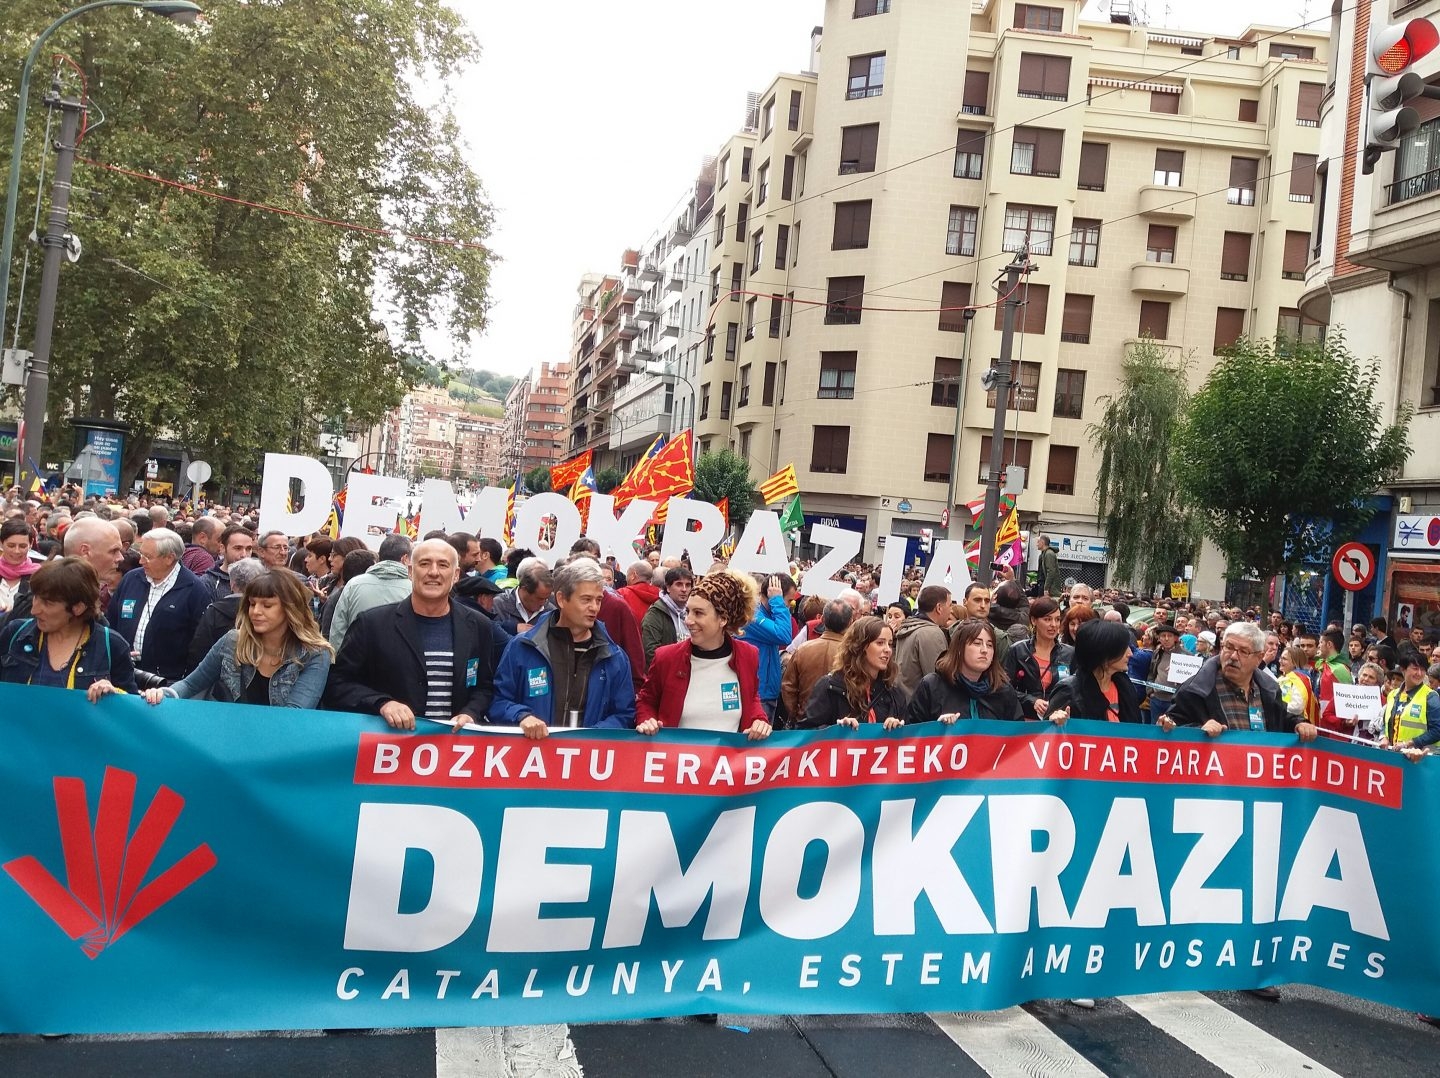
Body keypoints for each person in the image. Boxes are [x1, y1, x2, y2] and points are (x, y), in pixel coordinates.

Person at [326, 538, 496, 730]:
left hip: (451, 750)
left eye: (443, 565)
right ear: (410, 571)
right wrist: (382, 703)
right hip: (387, 749)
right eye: (424, 564)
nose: (433, 572)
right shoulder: (372, 624)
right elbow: (337, 684)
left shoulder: (478, 626)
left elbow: (484, 687)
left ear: (456, 575)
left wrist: (470, 712)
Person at [489, 557, 635, 737]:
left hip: (588, 758)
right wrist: (522, 717)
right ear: (561, 599)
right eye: (586, 599)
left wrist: (594, 736)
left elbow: (624, 714)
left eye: (598, 600)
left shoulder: (614, 656)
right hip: (534, 758)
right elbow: (498, 701)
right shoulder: (524, 646)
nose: (594, 607)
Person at [143, 570, 333, 708]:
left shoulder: (314, 653)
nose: (256, 612)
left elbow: (295, 713)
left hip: (278, 750)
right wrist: (163, 695)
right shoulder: (233, 641)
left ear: (290, 609)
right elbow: (191, 684)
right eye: (252, 604)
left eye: (267, 606)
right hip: (227, 743)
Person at [635, 569, 771, 738]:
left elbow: (751, 698)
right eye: (688, 611)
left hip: (726, 763)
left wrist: (759, 720)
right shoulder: (667, 657)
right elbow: (646, 701)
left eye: (698, 613)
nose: (688, 621)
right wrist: (647, 719)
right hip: (677, 761)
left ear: (723, 619)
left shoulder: (747, 655)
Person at [0, 557, 136, 699]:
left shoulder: (112, 645)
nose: (34, 610)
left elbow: (131, 709)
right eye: (35, 597)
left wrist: (114, 693)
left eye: (47, 603)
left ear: (78, 608)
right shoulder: (15, 633)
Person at [1169, 622, 1317, 741]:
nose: (1233, 656)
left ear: (1259, 658)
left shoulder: (1269, 689)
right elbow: (1172, 729)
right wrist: (1198, 730)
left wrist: (1299, 724)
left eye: (1243, 651)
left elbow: (1279, 719)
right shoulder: (1194, 689)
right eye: (1229, 647)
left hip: (1259, 773)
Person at [107, 527, 212, 683]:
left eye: (147, 556)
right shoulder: (131, 579)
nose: (141, 561)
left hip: (166, 682)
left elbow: (199, 644)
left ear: (169, 558)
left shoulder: (194, 590)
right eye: (140, 554)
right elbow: (112, 622)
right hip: (123, 674)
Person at [906, 617, 1023, 724]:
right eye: (977, 643)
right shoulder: (932, 686)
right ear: (959, 649)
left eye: (990, 645)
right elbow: (911, 732)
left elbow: (1018, 736)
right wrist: (936, 728)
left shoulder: (1003, 690)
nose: (984, 650)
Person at [799, 615, 907, 729]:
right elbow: (805, 733)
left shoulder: (894, 692)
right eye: (880, 643)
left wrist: (898, 730)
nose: (887, 650)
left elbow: (910, 741)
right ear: (860, 646)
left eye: (890, 644)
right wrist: (836, 730)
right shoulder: (830, 687)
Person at [1046, 619, 1144, 726]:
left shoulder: (1124, 684)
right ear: (1104, 653)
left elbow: (1137, 732)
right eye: (1124, 648)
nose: (1130, 653)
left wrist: (1158, 731)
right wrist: (1055, 722)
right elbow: (1044, 734)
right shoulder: (1069, 690)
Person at [328, 533, 413, 651]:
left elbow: (338, 629)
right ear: (405, 558)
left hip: (355, 661)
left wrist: (339, 663)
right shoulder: (414, 589)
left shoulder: (354, 584)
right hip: (397, 665)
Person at [186, 557, 268, 673]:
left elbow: (198, 650)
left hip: (217, 679)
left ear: (232, 584)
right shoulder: (270, 612)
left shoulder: (215, 611)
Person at [781, 599, 854, 721]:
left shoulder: (802, 650)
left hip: (806, 720)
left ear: (822, 619)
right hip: (841, 724)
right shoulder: (853, 654)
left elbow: (788, 687)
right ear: (850, 622)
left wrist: (797, 714)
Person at [1001, 596, 1072, 720]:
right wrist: (1031, 701)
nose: (1053, 625)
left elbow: (1076, 691)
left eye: (1057, 619)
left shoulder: (1070, 653)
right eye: (1047, 619)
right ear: (1034, 620)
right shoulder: (1018, 650)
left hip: (1059, 724)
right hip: (1025, 724)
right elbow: (1004, 689)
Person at [893, 585, 952, 698]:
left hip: (903, 701)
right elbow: (937, 679)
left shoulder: (907, 627)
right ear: (939, 608)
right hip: (921, 706)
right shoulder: (931, 633)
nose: (951, 610)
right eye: (950, 605)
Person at [1381, 653, 1439, 752]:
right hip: (1393, 755)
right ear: (1403, 669)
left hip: (1421, 758)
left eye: (1423, 669)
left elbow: (1438, 730)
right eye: (1415, 668)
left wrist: (1410, 743)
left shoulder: (1430, 696)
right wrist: (1384, 737)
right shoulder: (1392, 695)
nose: (1419, 673)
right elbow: (1386, 723)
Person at [492, 559, 554, 634]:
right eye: (540, 598)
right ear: (524, 589)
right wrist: (513, 628)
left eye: (546, 598)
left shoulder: (551, 612)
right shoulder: (499, 605)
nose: (543, 603)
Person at [1315, 627, 1354, 733]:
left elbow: (1348, 697)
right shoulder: (1322, 665)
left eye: (1321, 642)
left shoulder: (1340, 669)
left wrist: (1341, 721)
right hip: (1321, 721)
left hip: (1334, 725)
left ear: (1329, 645)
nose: (1318, 646)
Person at [204, 525, 256, 599]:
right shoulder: (208, 583)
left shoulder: (258, 579)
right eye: (238, 548)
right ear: (222, 548)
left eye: (248, 549)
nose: (244, 555)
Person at [0, 519, 39, 616]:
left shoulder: (39, 577)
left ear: (30, 544)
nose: (16, 551)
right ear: (1, 543)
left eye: (22, 546)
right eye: (11, 546)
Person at [1276, 642, 1320, 726]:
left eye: (1284, 659)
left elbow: (1297, 707)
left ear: (1295, 662)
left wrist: (1276, 708)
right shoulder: (1286, 678)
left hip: (1295, 725)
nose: (1279, 661)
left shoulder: (1299, 679)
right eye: (1280, 658)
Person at [618, 560, 660, 625]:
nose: (626, 578)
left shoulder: (622, 594)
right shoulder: (660, 595)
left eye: (628, 574)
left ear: (633, 575)